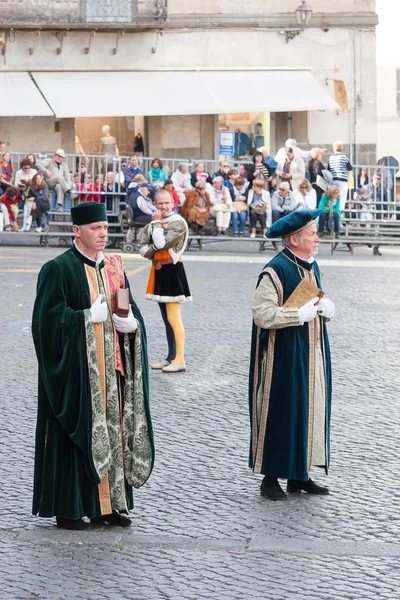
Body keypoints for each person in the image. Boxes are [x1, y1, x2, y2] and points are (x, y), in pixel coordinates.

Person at [31, 201, 154, 530]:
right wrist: (86, 318)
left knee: (113, 437)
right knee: (77, 440)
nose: (103, 234)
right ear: (77, 231)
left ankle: (110, 505)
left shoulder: (114, 266)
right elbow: (46, 325)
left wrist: (131, 326)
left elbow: (129, 310)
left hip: (112, 372)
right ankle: (70, 508)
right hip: (78, 376)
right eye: (95, 229)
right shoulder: (58, 269)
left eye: (105, 228)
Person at [249, 209, 335, 501]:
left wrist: (325, 309)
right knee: (281, 409)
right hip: (282, 353)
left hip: (309, 350)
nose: (318, 239)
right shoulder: (276, 269)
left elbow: (315, 299)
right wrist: (297, 314)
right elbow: (262, 313)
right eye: (312, 234)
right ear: (295, 239)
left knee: (307, 407)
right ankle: (270, 477)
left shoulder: (312, 265)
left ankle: (299, 474)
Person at [140, 189, 192, 373]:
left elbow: (160, 244)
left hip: (172, 270)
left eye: (166, 203)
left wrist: (154, 224)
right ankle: (171, 357)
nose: (163, 206)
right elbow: (143, 246)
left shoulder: (178, 222)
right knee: (166, 318)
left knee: (173, 318)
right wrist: (153, 235)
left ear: (173, 203)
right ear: (155, 203)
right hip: (159, 270)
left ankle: (180, 359)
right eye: (159, 203)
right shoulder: (158, 222)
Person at [327, 141, 353, 211]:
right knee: (342, 198)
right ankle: (339, 214)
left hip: (334, 179)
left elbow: (328, 169)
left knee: (334, 197)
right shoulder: (344, 158)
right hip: (343, 180)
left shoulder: (330, 158)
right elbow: (350, 167)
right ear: (342, 148)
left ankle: (333, 211)